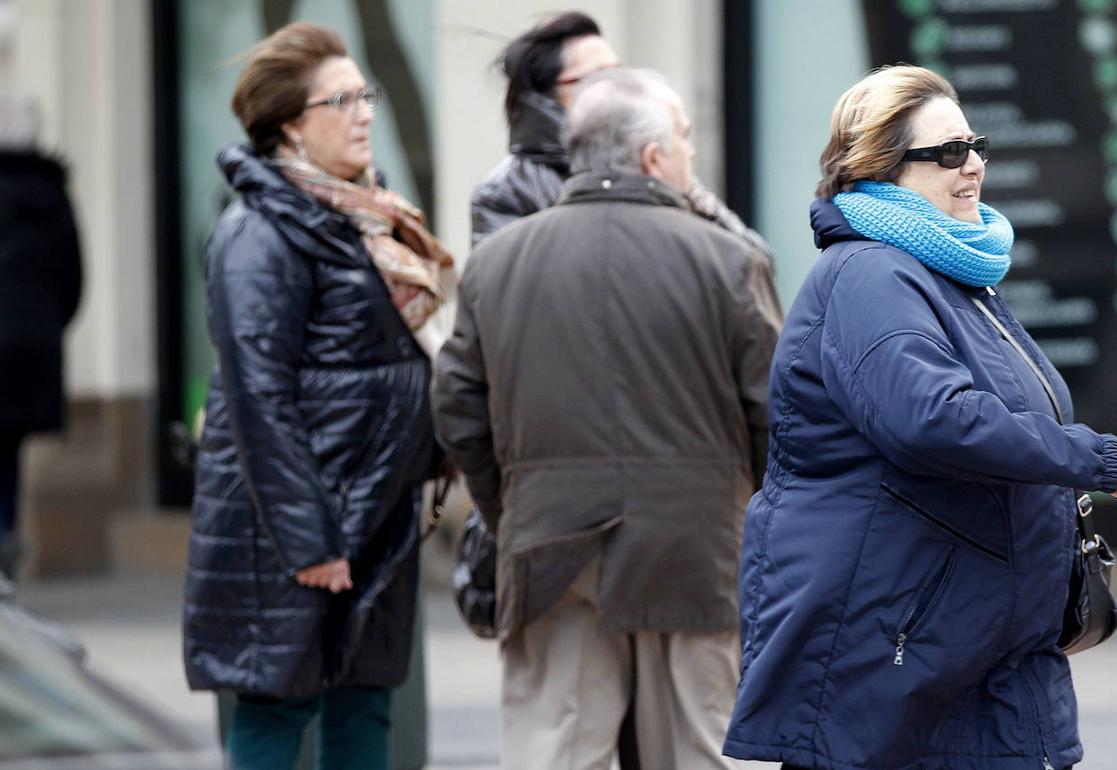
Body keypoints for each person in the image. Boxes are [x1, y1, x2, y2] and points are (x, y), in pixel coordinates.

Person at [722, 65, 1117, 770]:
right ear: (881, 168)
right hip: (896, 653)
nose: (974, 165)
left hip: (960, 652)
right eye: (948, 152)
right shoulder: (871, 274)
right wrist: (1093, 457)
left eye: (975, 144)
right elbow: (932, 417)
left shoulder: (945, 273)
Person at [433, 68, 781, 770]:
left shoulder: (496, 264)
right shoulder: (728, 260)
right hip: (697, 555)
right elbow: (777, 416)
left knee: (555, 752)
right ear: (653, 157)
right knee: (700, 752)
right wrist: (748, 515)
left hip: (549, 550)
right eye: (684, 139)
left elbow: (456, 408)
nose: (691, 156)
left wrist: (511, 507)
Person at [181, 22, 451, 770]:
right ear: (293, 126)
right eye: (344, 99)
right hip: (295, 526)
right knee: (278, 705)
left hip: (372, 509)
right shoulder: (259, 234)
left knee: (364, 701)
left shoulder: (359, 219)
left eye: (366, 93)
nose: (366, 111)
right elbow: (256, 398)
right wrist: (311, 540)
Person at [471, 11, 769, 257]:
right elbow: (502, 300)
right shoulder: (505, 192)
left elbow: (752, 263)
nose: (616, 87)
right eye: (599, 77)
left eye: (621, 73)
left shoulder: (652, 159)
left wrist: (691, 193)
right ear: (547, 97)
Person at [0, 96, 83, 579]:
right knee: (10, 455)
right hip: (32, 347)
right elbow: (73, 274)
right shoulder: (51, 192)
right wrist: (47, 324)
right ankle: (7, 542)